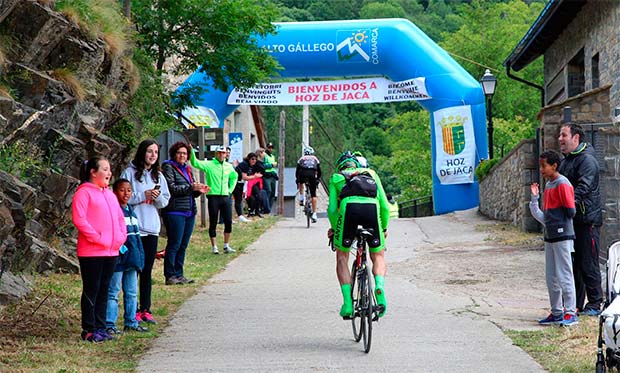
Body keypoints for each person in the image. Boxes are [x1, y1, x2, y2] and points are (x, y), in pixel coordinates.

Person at [327, 151, 390, 318]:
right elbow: (385, 206)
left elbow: (333, 210)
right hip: (372, 211)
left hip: (349, 211)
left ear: (340, 166)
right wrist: (383, 228)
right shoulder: (371, 174)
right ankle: (379, 286)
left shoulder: (336, 178)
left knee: (342, 257)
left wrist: (335, 229)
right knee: (378, 255)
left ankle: (348, 303)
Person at [72, 157, 127, 342]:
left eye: (109, 169)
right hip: (91, 252)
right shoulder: (83, 193)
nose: (109, 173)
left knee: (105, 289)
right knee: (92, 289)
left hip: (111, 251)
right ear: (93, 172)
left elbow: (120, 218)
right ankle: (89, 329)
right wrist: (97, 237)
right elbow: (79, 219)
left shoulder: (110, 195)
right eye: (105, 169)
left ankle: (101, 327)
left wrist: (120, 237)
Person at [121, 139, 170, 324]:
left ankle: (146, 309)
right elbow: (123, 196)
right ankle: (131, 310)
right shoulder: (130, 173)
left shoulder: (158, 176)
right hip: (134, 229)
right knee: (134, 268)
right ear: (142, 152)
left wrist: (156, 198)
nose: (152, 155)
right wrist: (144, 195)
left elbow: (165, 199)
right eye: (149, 151)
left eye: (156, 152)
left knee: (147, 271)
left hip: (152, 228)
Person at [558, 122, 604, 316]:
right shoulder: (567, 160)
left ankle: (594, 303)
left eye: (563, 135)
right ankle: (575, 304)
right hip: (573, 221)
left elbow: (583, 187)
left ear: (576, 138)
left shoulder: (587, 160)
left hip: (587, 220)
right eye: (560, 135)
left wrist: (567, 204)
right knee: (574, 263)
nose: (560, 139)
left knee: (589, 262)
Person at [529, 150, 579, 326]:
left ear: (554, 166)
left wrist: (558, 223)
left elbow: (570, 210)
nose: (541, 169)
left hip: (562, 236)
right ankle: (557, 311)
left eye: (544, 166)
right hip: (550, 236)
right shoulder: (549, 186)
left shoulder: (562, 183)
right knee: (551, 276)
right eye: (540, 166)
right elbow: (544, 217)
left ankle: (570, 312)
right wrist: (534, 199)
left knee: (564, 273)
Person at [161, 142, 209, 285]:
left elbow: (190, 191)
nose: (182, 155)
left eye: (185, 153)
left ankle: (179, 274)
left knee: (183, 245)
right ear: (174, 154)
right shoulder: (168, 167)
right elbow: (172, 188)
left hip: (189, 211)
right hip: (175, 211)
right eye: (179, 153)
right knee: (174, 243)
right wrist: (191, 187)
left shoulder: (188, 169)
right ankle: (170, 275)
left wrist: (198, 190)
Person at [106, 178, 148, 335]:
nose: (126, 193)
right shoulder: (113, 210)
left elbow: (136, 237)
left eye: (129, 190)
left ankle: (131, 321)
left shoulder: (132, 211)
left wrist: (140, 256)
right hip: (118, 259)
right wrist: (121, 250)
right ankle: (110, 323)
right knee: (113, 292)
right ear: (115, 192)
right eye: (122, 190)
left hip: (132, 259)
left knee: (131, 292)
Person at [189, 144, 238, 254]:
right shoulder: (210, 164)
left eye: (223, 153)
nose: (221, 155)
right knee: (213, 222)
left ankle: (226, 245)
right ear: (216, 154)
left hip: (225, 196)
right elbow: (195, 163)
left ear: (226, 155)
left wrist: (230, 189)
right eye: (219, 153)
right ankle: (214, 247)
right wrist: (191, 150)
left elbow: (234, 176)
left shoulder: (228, 166)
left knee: (228, 221)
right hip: (213, 197)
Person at [296, 146, 322, 223]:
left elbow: (297, 171)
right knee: (314, 195)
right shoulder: (315, 159)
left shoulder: (301, 159)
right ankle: (314, 214)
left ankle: (301, 198)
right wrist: (318, 179)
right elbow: (319, 171)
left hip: (303, 174)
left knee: (301, 183)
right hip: (312, 175)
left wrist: (297, 179)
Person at [237, 152, 264, 217]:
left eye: (255, 159)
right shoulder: (245, 164)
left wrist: (256, 176)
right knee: (248, 198)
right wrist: (255, 176)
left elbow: (262, 170)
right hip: (240, 183)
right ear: (249, 159)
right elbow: (245, 177)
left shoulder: (254, 165)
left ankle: (256, 211)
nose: (254, 161)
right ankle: (248, 212)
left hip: (250, 183)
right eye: (252, 159)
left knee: (258, 196)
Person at [263, 142, 279, 212]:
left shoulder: (272, 156)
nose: (271, 149)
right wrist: (271, 165)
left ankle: (269, 208)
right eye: (269, 148)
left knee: (272, 193)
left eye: (272, 148)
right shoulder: (264, 156)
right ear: (266, 148)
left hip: (272, 175)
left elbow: (273, 167)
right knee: (268, 191)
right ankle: (265, 207)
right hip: (267, 176)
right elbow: (263, 166)